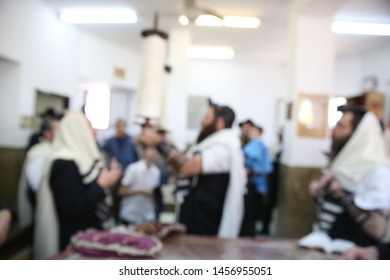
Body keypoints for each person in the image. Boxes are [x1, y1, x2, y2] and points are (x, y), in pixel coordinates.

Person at [139, 100, 247, 238]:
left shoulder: (224, 148)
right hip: (196, 214)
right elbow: (184, 162)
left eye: (206, 117)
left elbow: (188, 167)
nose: (202, 121)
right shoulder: (213, 144)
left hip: (207, 221)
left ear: (219, 123)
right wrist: (163, 142)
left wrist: (159, 143)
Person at [34, 111, 122, 259]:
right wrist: (101, 184)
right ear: (75, 130)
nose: (94, 130)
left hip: (91, 235)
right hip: (75, 240)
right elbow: (71, 207)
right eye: (89, 125)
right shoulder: (63, 162)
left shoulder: (82, 158)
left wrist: (108, 178)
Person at [299, 109, 390, 250]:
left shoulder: (378, 173)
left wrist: (341, 196)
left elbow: (377, 230)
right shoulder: (341, 165)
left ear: (359, 136)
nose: (334, 130)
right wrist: (318, 193)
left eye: (341, 126)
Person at [17, 118, 59, 227]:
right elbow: (39, 187)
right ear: (47, 133)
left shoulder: (55, 150)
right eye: (58, 130)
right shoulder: (38, 154)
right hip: (43, 210)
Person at [240, 125, 273, 236]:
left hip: (254, 182)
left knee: (250, 211)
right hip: (255, 181)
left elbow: (251, 159)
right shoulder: (257, 145)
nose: (251, 134)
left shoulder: (257, 145)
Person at [118, 145, 160, 225]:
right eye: (151, 150)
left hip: (147, 215)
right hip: (131, 214)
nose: (154, 153)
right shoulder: (133, 168)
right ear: (143, 152)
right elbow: (121, 191)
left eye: (155, 151)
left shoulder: (156, 171)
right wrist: (141, 191)